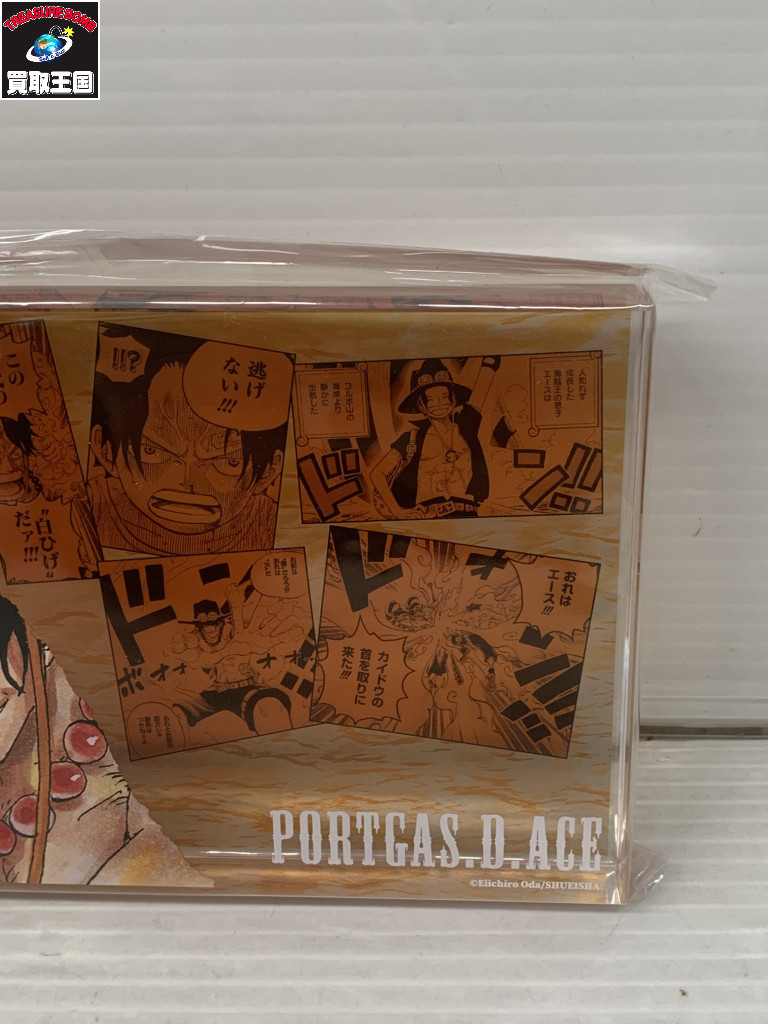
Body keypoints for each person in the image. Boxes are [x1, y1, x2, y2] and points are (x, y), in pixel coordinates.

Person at [88, 325, 287, 555]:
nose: (187, 481)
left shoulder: (270, 526)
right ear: (105, 450)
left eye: (228, 462)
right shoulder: (89, 509)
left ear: (269, 471)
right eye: (152, 451)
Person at [370, 357, 498, 520]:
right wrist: (398, 512)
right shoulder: (412, 439)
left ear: (453, 399)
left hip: (467, 514)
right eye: (430, 399)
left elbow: (481, 392)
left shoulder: (467, 427)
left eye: (444, 397)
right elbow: (377, 474)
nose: (439, 404)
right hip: (427, 517)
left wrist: (489, 365)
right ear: (422, 406)